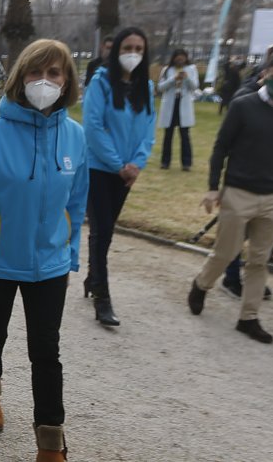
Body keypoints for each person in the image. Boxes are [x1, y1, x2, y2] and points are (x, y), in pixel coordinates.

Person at [0, 39, 88, 462]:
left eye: (54, 73)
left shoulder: (75, 137)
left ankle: (50, 440)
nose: (44, 81)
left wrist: (72, 251)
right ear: (19, 78)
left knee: (46, 350)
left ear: (66, 82)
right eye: (35, 73)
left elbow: (77, 201)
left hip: (51, 265)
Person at [187, 49, 273, 344]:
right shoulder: (243, 106)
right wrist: (214, 186)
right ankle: (202, 284)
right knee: (226, 253)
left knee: (259, 261)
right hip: (239, 192)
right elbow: (220, 148)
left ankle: (248, 317)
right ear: (264, 74)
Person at [81, 27, 156, 327]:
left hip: (127, 172)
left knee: (106, 230)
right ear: (116, 50)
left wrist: (136, 164)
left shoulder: (146, 87)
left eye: (139, 48)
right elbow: (93, 127)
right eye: (128, 47)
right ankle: (102, 298)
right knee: (101, 233)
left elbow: (148, 130)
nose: (133, 54)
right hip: (100, 169)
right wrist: (117, 164)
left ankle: (91, 277)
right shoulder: (100, 83)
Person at [220, 44, 273, 300]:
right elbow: (226, 139)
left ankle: (254, 271)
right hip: (246, 180)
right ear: (267, 68)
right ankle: (232, 277)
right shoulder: (248, 91)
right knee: (236, 234)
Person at [156, 49, 198, 171]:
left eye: (182, 57)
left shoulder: (191, 69)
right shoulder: (167, 70)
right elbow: (160, 87)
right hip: (170, 103)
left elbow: (194, 86)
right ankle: (165, 162)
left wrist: (187, 78)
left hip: (183, 103)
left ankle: (186, 163)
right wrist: (173, 79)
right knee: (168, 135)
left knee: (185, 135)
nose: (180, 60)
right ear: (173, 58)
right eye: (177, 57)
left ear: (186, 58)